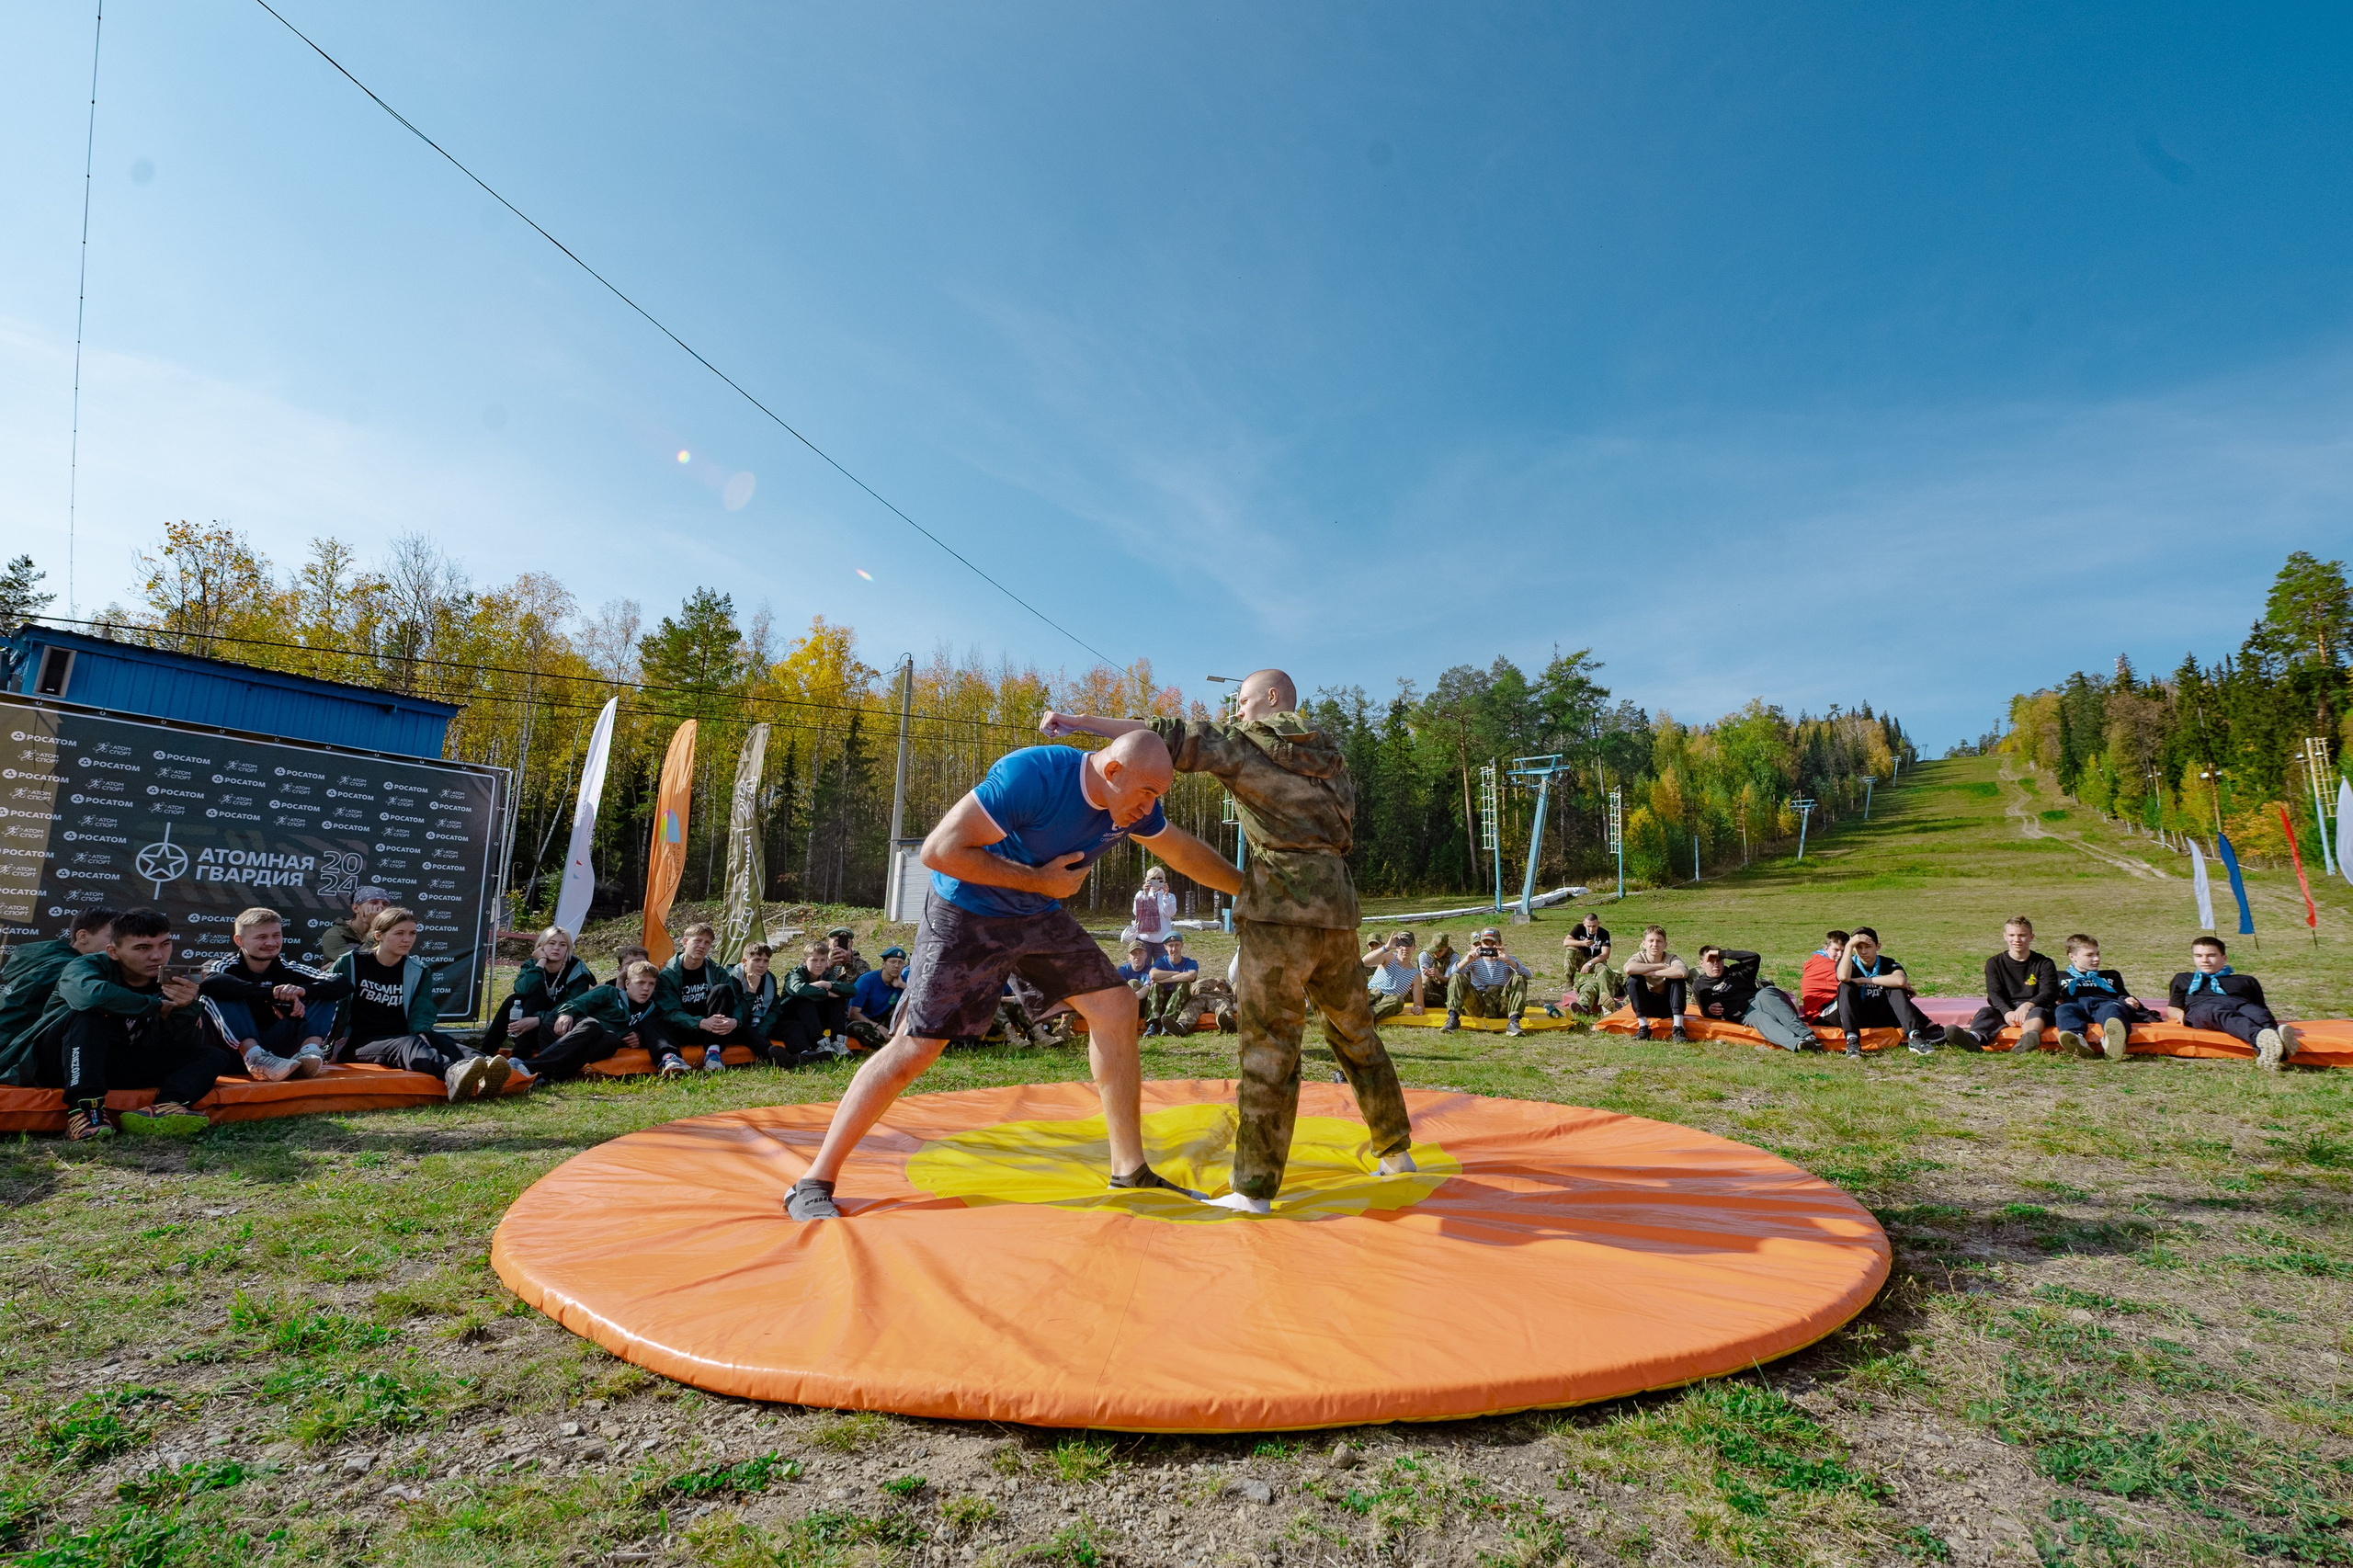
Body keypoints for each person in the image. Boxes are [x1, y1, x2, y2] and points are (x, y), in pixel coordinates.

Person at [787, 728, 1240, 1221]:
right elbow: (939, 851)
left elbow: (1182, 852)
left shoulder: (1134, 805)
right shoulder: (1032, 777)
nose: (1149, 807)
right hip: (967, 910)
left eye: (1158, 797)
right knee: (917, 1047)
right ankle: (814, 1179)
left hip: (1037, 912)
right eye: (1147, 793)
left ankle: (1128, 1167)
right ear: (1112, 772)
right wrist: (1039, 880)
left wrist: (1250, 891)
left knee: (1116, 1006)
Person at [1043, 674, 1416, 1215]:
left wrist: (1081, 722)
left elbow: (1155, 737)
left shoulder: (1247, 744)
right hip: (1336, 909)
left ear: (1270, 699)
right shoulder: (1333, 756)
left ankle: (1254, 1188)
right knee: (1357, 1032)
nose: (1237, 714)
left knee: (1270, 1046)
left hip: (1278, 910)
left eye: (1242, 703)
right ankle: (1395, 1151)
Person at [11, 907, 233, 1141]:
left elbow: (179, 1045)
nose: (157, 956)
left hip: (113, 1063)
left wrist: (184, 1009)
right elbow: (91, 997)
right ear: (113, 952)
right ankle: (85, 1110)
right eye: (143, 948)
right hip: (60, 1063)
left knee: (213, 1056)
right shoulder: (86, 966)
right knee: (89, 1014)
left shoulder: (170, 979)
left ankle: (166, 1106)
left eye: (165, 944)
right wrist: (155, 1005)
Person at [328, 907, 509, 1099]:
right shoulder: (351, 962)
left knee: (441, 1040)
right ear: (378, 936)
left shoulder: (418, 970)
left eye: (412, 933)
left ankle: (486, 1067)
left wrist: (420, 1030)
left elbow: (422, 1007)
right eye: (399, 933)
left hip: (402, 1032)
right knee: (408, 1043)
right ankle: (451, 1074)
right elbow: (326, 999)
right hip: (358, 1041)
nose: (407, 939)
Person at [197, 906, 347, 1081]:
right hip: (228, 1053)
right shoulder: (224, 966)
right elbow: (209, 981)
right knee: (219, 992)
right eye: (261, 937)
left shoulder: (289, 968)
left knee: (323, 991)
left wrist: (302, 991)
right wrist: (273, 995)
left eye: (276, 935)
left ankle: (309, 1054)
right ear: (239, 941)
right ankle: (255, 1058)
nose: (271, 943)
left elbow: (341, 983)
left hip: (279, 1055)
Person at [0, 908, 118, 1079]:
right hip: (15, 1062)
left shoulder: (50, 959)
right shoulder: (66, 968)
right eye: (112, 938)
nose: (117, 945)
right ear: (83, 936)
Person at [519, 961, 664, 1082]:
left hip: (583, 1048)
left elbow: (657, 1032)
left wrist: (640, 1038)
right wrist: (566, 1013)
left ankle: (552, 1075)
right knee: (593, 1025)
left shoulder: (652, 1009)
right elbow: (575, 1004)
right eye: (640, 983)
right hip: (561, 1030)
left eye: (651, 984)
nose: (646, 988)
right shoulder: (609, 993)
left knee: (611, 1039)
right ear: (627, 984)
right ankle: (528, 1068)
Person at [2166, 936, 2294, 1070]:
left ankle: (2274, 1041)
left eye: (2211, 955)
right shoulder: (2183, 978)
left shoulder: (2246, 980)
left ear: (2224, 958)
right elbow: (2172, 1008)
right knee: (2219, 1012)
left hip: (2240, 1005)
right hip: (2203, 1009)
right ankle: (2261, 1038)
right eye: (2199, 955)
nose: (2204, 960)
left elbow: (2261, 1008)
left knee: (2257, 1014)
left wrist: (2262, 1016)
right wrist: (2178, 1014)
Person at [1943, 915, 2057, 1054]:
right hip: (2008, 1007)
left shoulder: (2044, 963)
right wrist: (2006, 1011)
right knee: (1986, 1012)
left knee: (2038, 1012)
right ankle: (1973, 1039)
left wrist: (2027, 1005)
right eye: (2012, 935)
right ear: (2005, 936)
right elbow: (1994, 994)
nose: (2017, 939)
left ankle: (2027, 1039)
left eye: (2022, 935)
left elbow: (2048, 993)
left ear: (2031, 937)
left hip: (2035, 1006)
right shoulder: (1994, 963)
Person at [483, 926, 596, 1056]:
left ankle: (519, 1056)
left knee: (537, 997)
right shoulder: (534, 964)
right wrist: (541, 961)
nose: (556, 948)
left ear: (568, 949)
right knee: (514, 1000)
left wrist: (538, 1019)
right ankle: (485, 1052)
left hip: (558, 1025)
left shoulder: (577, 971)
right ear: (541, 946)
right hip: (530, 1024)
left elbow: (572, 1006)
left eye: (562, 945)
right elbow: (521, 990)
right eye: (551, 943)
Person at [1833, 926, 1940, 1058]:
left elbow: (1901, 981)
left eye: (1868, 946)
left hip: (1884, 1014)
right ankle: (1852, 1041)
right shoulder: (1848, 963)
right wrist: (1849, 945)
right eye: (1858, 947)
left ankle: (1914, 1037)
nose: (1863, 951)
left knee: (1895, 987)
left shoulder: (1887, 963)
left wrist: (1864, 980)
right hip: (1858, 1015)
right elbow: (1843, 977)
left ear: (1878, 946)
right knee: (1846, 986)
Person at [653, 922, 740, 1078]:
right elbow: (670, 1012)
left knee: (722, 989)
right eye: (697, 941)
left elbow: (735, 1001)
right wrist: (699, 1022)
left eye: (707, 943)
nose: (702, 946)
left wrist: (735, 1021)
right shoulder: (668, 974)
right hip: (683, 1028)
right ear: (685, 942)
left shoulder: (716, 972)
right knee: (652, 1022)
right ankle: (671, 1059)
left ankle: (713, 1053)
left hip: (711, 1030)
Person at [1690, 947, 1819, 1051]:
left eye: (1719, 960)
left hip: (1762, 1000)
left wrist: (1722, 953)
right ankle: (1800, 1045)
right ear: (1701, 964)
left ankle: (1808, 1036)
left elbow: (1754, 957)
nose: (1716, 965)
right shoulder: (1700, 986)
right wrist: (1710, 1010)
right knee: (1760, 1019)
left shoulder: (1737, 972)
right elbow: (1704, 1012)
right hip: (1746, 1014)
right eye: (1710, 961)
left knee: (1764, 994)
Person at [2051, 934, 2148, 1062]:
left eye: (2098, 954)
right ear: (2072, 957)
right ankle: (2075, 1039)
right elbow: (2049, 996)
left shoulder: (2111, 976)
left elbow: (2122, 994)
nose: (2096, 959)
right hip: (2075, 1005)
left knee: (2113, 1009)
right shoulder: (2059, 977)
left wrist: (2129, 999)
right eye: (2089, 955)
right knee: (2064, 1010)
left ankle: (2113, 1041)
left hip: (2104, 1004)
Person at [1443, 926, 1532, 1036]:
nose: (1489, 948)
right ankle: (1453, 1020)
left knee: (1519, 977)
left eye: (1493, 944)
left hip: (1501, 1004)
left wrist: (1509, 961)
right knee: (1456, 976)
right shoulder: (1474, 960)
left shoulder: (1508, 959)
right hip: (1478, 1004)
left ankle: (1514, 1023)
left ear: (1500, 943)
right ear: (1480, 944)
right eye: (1486, 944)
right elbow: (1449, 976)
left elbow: (1528, 975)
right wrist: (1466, 961)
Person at [778, 939, 858, 1059]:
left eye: (822, 960)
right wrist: (826, 993)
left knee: (838, 997)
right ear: (805, 961)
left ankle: (838, 1041)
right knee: (805, 998)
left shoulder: (825, 976)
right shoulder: (795, 974)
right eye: (814, 960)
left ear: (827, 962)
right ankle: (820, 1042)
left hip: (815, 1018)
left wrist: (826, 984)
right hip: (792, 1018)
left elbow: (852, 991)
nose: (819, 965)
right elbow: (800, 990)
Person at [1620, 926, 1690, 1043]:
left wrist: (1652, 972)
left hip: (1668, 1005)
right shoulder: (1639, 957)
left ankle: (1678, 1028)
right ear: (1644, 944)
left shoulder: (1671, 958)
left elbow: (1682, 972)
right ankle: (1643, 1027)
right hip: (1647, 1005)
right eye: (1651, 941)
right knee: (1633, 979)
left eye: (1659, 941)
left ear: (1665, 944)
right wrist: (1659, 966)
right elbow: (1629, 969)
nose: (1655, 944)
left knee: (1677, 980)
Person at [846, 946, 907, 1051]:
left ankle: (890, 1041)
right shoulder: (867, 980)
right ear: (883, 964)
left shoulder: (903, 981)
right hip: (865, 1021)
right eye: (892, 962)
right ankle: (892, 1045)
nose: (896, 966)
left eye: (900, 963)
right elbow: (853, 1014)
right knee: (854, 1028)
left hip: (886, 1019)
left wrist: (903, 986)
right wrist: (878, 1027)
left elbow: (920, 1001)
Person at [1141, 935, 1200, 1037]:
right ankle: (1153, 1024)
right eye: (1171, 945)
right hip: (1163, 998)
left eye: (1177, 945)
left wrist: (1165, 980)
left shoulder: (1190, 962)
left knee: (1183, 983)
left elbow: (1191, 975)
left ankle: (1168, 1023)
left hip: (1180, 1000)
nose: (1174, 949)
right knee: (1155, 985)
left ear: (1182, 945)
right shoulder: (1161, 961)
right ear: (1165, 947)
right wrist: (1176, 973)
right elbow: (1153, 975)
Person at [1361, 930, 1427, 1023]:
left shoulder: (1415, 975)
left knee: (1398, 1000)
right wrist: (1386, 947)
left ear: (1414, 947)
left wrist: (1419, 1008)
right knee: (1376, 993)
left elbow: (1419, 1004)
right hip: (1371, 994)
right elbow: (1364, 962)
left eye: (1408, 944)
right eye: (1401, 944)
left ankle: (1362, 1017)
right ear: (1396, 947)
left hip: (1387, 1003)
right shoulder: (1389, 957)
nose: (1405, 948)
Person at [318, 886, 392, 964]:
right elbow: (354, 962)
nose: (381, 906)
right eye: (374, 902)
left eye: (385, 904)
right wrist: (376, 926)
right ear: (356, 908)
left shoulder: (390, 933)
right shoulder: (334, 934)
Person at [1129, 866, 1177, 969]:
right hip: (1143, 939)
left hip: (1162, 941)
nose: (1156, 882)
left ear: (1164, 881)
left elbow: (1170, 913)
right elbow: (1137, 913)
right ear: (1147, 880)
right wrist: (1145, 895)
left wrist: (1165, 896)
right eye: (1153, 879)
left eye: (1159, 879)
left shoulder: (1170, 896)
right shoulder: (1140, 894)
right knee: (1142, 968)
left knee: (1162, 969)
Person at [731, 942, 780, 1043]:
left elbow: (774, 1009)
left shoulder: (769, 978)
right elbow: (738, 1015)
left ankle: (804, 1052)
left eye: (766, 961)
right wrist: (752, 989)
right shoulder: (733, 978)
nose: (761, 965)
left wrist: (764, 1027)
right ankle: (771, 1053)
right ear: (745, 961)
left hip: (761, 1022)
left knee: (791, 1025)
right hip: (739, 1024)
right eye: (757, 960)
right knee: (746, 1030)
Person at [1799, 931, 1849, 1024]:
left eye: (1844, 951)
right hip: (1819, 1015)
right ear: (1826, 948)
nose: (1840, 955)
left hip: (1824, 1009)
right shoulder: (1827, 966)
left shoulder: (1818, 959)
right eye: (1836, 950)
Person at [1563, 912, 1613, 986]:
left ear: (1598, 923)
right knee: (1570, 949)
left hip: (1596, 961)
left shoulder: (1604, 933)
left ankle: (1600, 986)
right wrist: (1582, 943)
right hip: (1581, 959)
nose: (1591, 929)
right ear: (1584, 923)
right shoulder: (1579, 928)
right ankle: (1569, 982)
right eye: (1588, 926)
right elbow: (1566, 942)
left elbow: (1606, 954)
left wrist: (1589, 963)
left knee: (1603, 970)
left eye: (1594, 926)